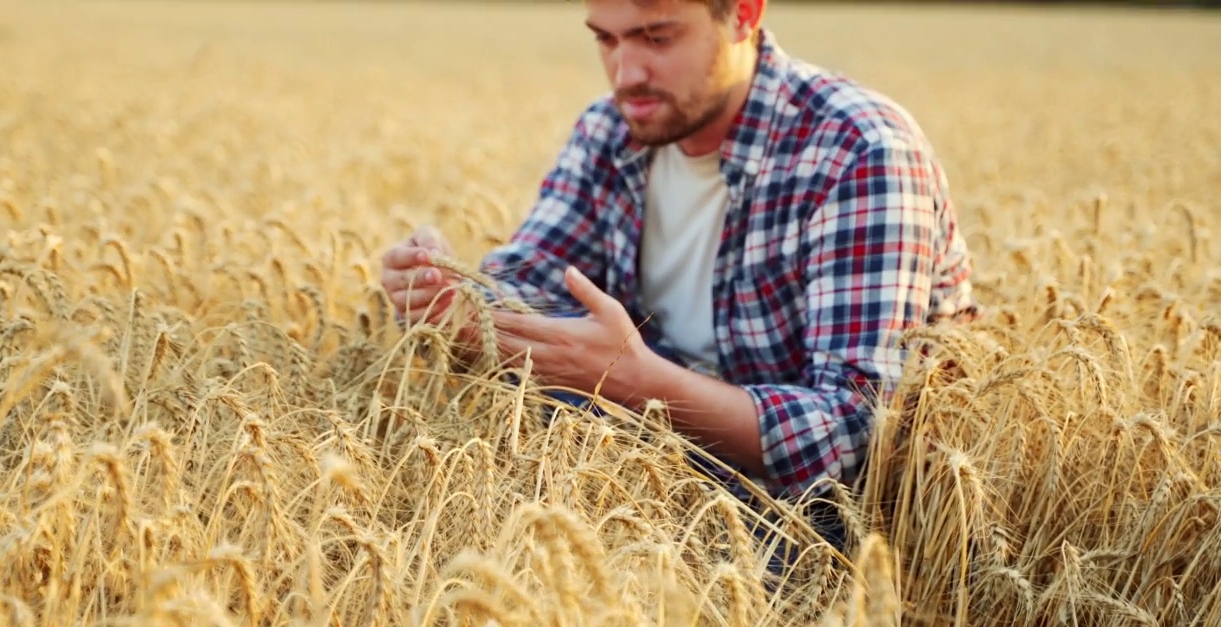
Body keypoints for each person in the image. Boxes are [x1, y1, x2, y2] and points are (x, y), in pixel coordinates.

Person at [379, 0, 977, 567]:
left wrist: (637, 382)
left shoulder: (859, 151)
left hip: (823, 521)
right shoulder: (609, 132)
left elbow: (859, 433)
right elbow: (529, 281)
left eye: (657, 37)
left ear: (744, 13)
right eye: (606, 39)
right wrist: (449, 301)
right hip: (653, 473)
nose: (625, 72)